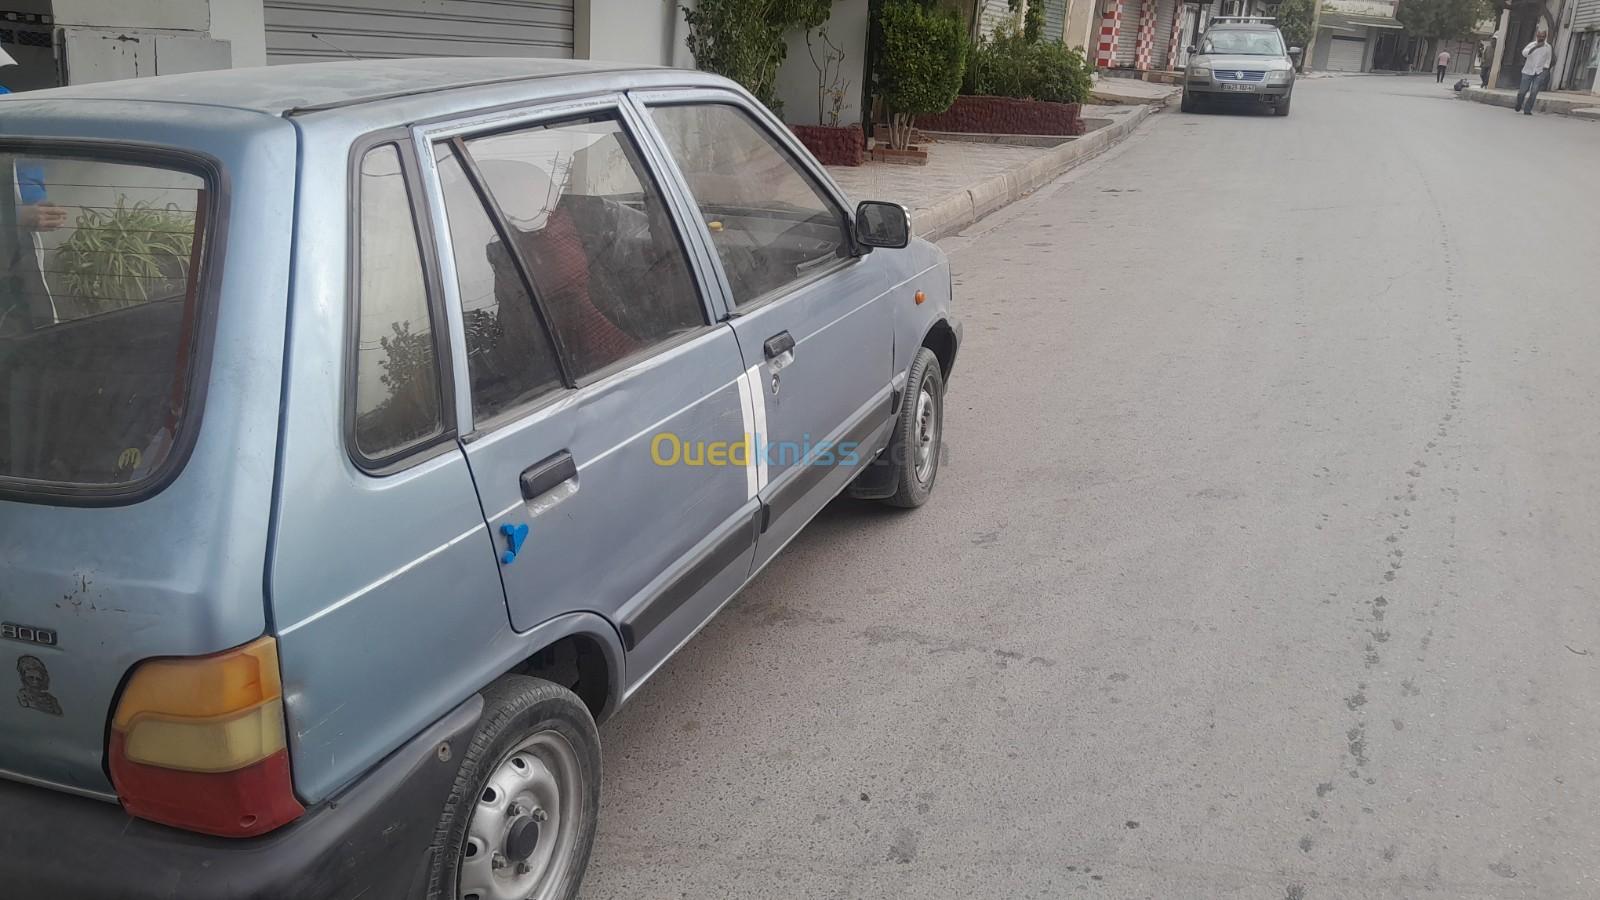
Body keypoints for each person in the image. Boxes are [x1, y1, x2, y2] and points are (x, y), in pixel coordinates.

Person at [1516, 28, 1554, 115]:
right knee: (1523, 91)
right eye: (1539, 36)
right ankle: (1519, 103)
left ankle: (1527, 109)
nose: (1541, 38)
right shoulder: (1532, 44)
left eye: (1543, 36)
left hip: (1539, 72)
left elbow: (1548, 60)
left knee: (1534, 91)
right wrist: (1535, 47)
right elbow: (1524, 53)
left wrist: (1545, 71)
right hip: (1528, 71)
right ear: (1537, 36)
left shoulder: (1548, 47)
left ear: (1545, 37)